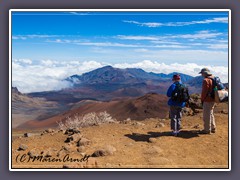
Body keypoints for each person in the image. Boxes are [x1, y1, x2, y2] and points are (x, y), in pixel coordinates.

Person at [199, 68, 216, 134]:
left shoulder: (206, 80)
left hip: (207, 100)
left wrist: (202, 99)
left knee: (206, 115)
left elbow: (204, 92)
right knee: (211, 113)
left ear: (204, 73)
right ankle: (213, 127)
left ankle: (207, 130)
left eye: (202, 73)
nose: (201, 75)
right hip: (213, 99)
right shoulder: (214, 78)